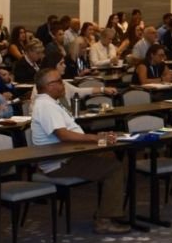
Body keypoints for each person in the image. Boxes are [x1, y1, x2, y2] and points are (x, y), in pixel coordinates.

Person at [27, 69, 132, 233]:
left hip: (70, 154)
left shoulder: (50, 102)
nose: (63, 84)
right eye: (59, 81)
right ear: (49, 86)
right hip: (59, 162)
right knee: (114, 168)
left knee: (110, 155)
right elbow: (63, 135)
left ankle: (112, 208)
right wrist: (95, 138)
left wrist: (98, 138)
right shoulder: (46, 105)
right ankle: (105, 219)